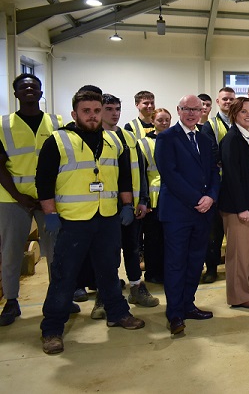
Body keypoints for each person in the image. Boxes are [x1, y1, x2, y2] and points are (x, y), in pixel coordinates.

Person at [37, 90, 145, 354]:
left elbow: (123, 179)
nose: (93, 116)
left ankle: (117, 313)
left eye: (97, 111)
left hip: (107, 217)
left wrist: (127, 205)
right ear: (75, 114)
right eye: (87, 111)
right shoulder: (59, 141)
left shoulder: (113, 141)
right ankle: (52, 329)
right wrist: (50, 214)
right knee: (64, 276)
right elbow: (44, 181)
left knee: (109, 270)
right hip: (73, 221)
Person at [0, 74, 67, 327]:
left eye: (34, 87)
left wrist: (46, 197)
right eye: (23, 87)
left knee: (55, 251)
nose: (29, 90)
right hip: (12, 199)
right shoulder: (3, 124)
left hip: (48, 199)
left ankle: (58, 298)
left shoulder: (56, 122)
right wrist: (20, 197)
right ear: (16, 93)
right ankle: (12, 302)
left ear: (41, 93)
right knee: (11, 251)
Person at [155, 95, 220, 335]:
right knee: (176, 264)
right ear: (178, 110)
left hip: (202, 212)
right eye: (186, 109)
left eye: (196, 109)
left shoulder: (203, 139)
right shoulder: (166, 138)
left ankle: (188, 304)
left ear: (202, 111)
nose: (192, 113)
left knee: (195, 262)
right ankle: (174, 314)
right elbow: (170, 175)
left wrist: (211, 196)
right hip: (177, 213)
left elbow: (214, 172)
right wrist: (196, 200)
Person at [100, 94, 158, 310]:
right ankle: (105, 296)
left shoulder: (130, 138)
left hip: (131, 206)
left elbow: (140, 171)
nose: (114, 113)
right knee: (108, 253)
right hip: (103, 207)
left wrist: (142, 200)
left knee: (132, 249)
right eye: (109, 109)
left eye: (117, 109)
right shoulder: (94, 138)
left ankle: (136, 288)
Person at [218, 97, 249, 309]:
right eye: (243, 112)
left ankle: (247, 285)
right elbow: (232, 175)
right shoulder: (232, 139)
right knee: (240, 250)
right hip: (241, 202)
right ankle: (239, 295)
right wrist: (241, 207)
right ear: (234, 114)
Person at [200, 86, 236, 284]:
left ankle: (234, 268)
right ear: (218, 101)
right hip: (217, 184)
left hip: (236, 186)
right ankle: (211, 269)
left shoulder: (241, 123)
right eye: (225, 99)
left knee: (235, 231)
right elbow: (211, 154)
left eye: (231, 99)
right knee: (214, 232)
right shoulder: (210, 126)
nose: (228, 102)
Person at [137, 107, 172, 285]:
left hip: (173, 197)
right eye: (160, 120)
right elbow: (141, 173)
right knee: (152, 238)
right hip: (153, 197)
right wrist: (144, 199)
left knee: (169, 238)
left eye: (167, 119)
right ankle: (152, 272)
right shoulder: (143, 143)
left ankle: (168, 271)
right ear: (152, 121)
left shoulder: (176, 139)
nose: (164, 123)